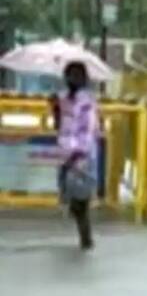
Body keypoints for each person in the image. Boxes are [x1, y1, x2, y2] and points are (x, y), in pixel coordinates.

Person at [51, 61, 100, 250]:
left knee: (80, 201)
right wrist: (55, 108)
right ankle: (85, 236)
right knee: (71, 196)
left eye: (77, 76)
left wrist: (78, 153)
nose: (73, 79)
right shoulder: (63, 99)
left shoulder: (87, 102)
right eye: (70, 75)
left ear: (84, 79)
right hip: (66, 153)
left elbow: (87, 130)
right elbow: (59, 126)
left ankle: (86, 239)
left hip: (81, 156)